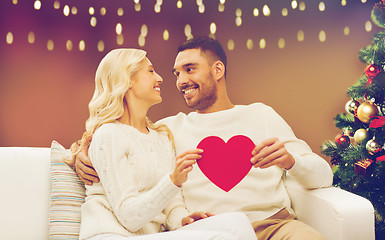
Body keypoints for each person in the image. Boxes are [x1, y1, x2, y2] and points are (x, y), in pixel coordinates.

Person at [73, 37, 333, 240]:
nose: (180, 81)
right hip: (209, 232)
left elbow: (324, 176)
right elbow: (115, 139)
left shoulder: (261, 115)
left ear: (217, 70)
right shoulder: (167, 130)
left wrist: (291, 162)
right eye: (177, 73)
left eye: (189, 69)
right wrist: (79, 157)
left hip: (275, 225)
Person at [73, 48, 258, 240]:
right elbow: (129, 217)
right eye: (151, 71)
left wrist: (183, 220)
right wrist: (173, 181)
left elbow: (172, 206)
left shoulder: (161, 135)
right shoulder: (109, 134)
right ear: (127, 79)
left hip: (149, 236)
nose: (160, 78)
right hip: (112, 235)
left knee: (238, 222)